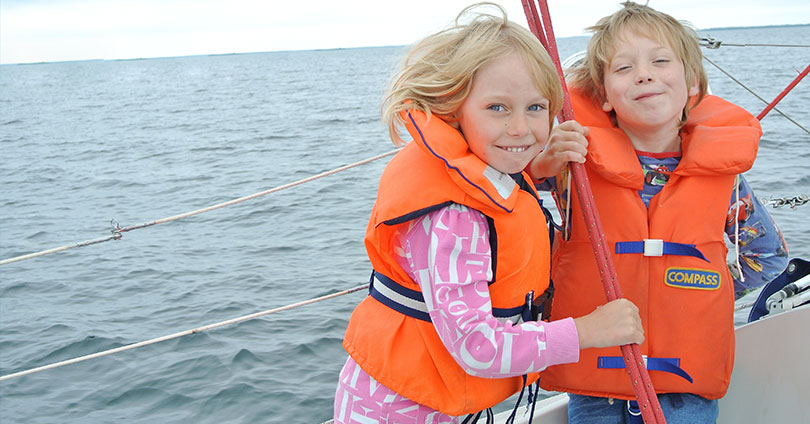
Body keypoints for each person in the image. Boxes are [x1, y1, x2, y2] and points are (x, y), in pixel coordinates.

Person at [333, 3, 645, 423]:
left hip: (443, 399)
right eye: (498, 108)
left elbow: (498, 194)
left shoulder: (483, 173)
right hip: (401, 410)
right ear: (453, 105)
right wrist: (589, 331)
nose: (520, 128)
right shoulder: (452, 218)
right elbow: (479, 347)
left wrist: (537, 167)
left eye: (535, 108)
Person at [529, 2, 789, 423]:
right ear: (606, 97)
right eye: (623, 68)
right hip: (596, 392)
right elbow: (514, 219)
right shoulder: (572, 168)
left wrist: (702, 295)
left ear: (690, 84)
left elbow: (768, 255)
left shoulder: (724, 175)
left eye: (660, 61)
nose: (644, 74)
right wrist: (541, 167)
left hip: (684, 399)